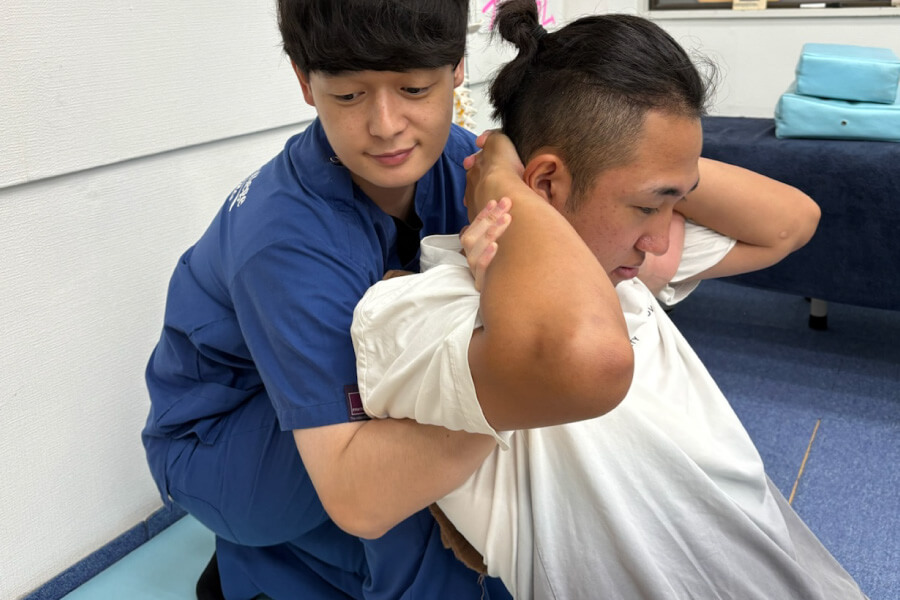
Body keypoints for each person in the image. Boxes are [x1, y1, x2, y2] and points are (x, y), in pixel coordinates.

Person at [350, 3, 867, 598]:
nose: (660, 235)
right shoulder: (428, 309)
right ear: (543, 184)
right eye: (650, 205)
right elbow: (583, 354)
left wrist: (663, 174)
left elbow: (792, 222)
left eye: (677, 203)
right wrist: (502, 185)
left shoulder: (626, 266)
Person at [142, 1, 633, 598]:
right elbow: (359, 497)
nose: (387, 124)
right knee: (407, 482)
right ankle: (264, 565)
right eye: (348, 96)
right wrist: (531, 384)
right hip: (218, 439)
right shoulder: (283, 241)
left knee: (457, 391)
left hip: (314, 398)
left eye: (413, 87)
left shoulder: (464, 160)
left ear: (456, 69)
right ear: (305, 82)